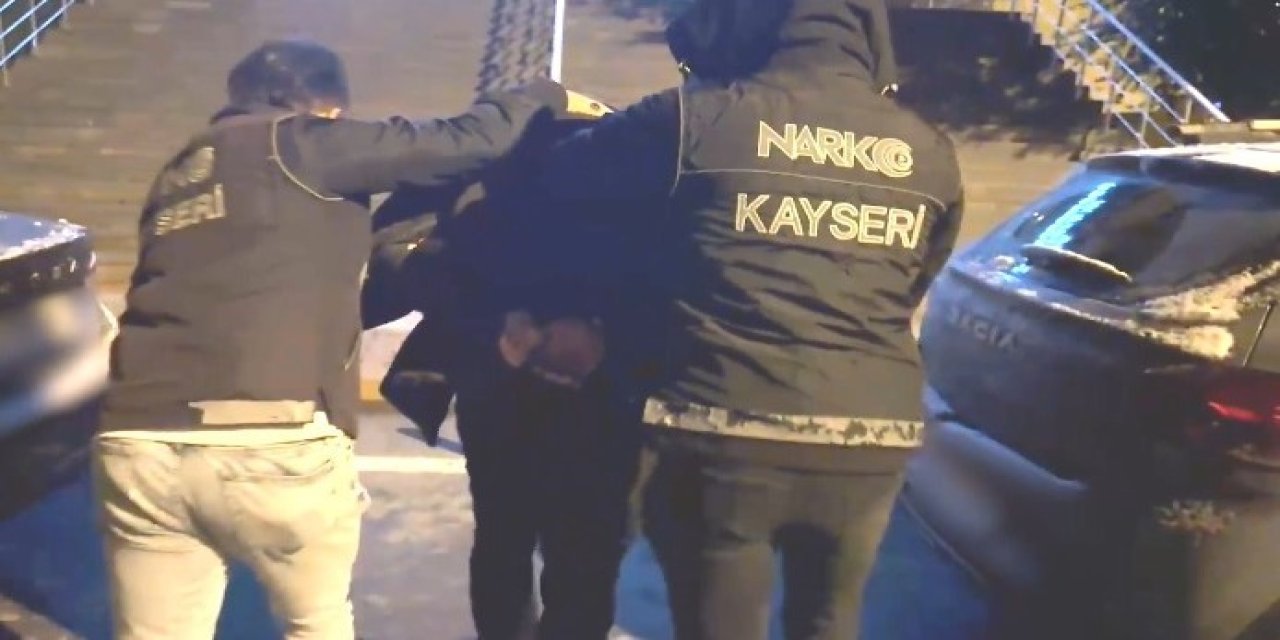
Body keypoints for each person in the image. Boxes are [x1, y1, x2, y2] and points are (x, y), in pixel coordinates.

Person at [93, 39, 566, 640]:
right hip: (269, 435)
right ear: (326, 107)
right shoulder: (299, 143)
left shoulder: (182, 170)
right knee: (312, 623)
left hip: (136, 440)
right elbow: (465, 141)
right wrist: (544, 95)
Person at [535, 0, 964, 637]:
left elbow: (562, 176)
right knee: (830, 620)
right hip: (870, 431)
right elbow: (912, 282)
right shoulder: (929, 149)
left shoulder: (693, 118)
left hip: (724, 423)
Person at [363, 108, 657, 640]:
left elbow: (410, 260)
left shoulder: (489, 178)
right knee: (579, 550)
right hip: (583, 388)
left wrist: (503, 328)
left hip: (506, 379)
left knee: (509, 538)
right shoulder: (634, 175)